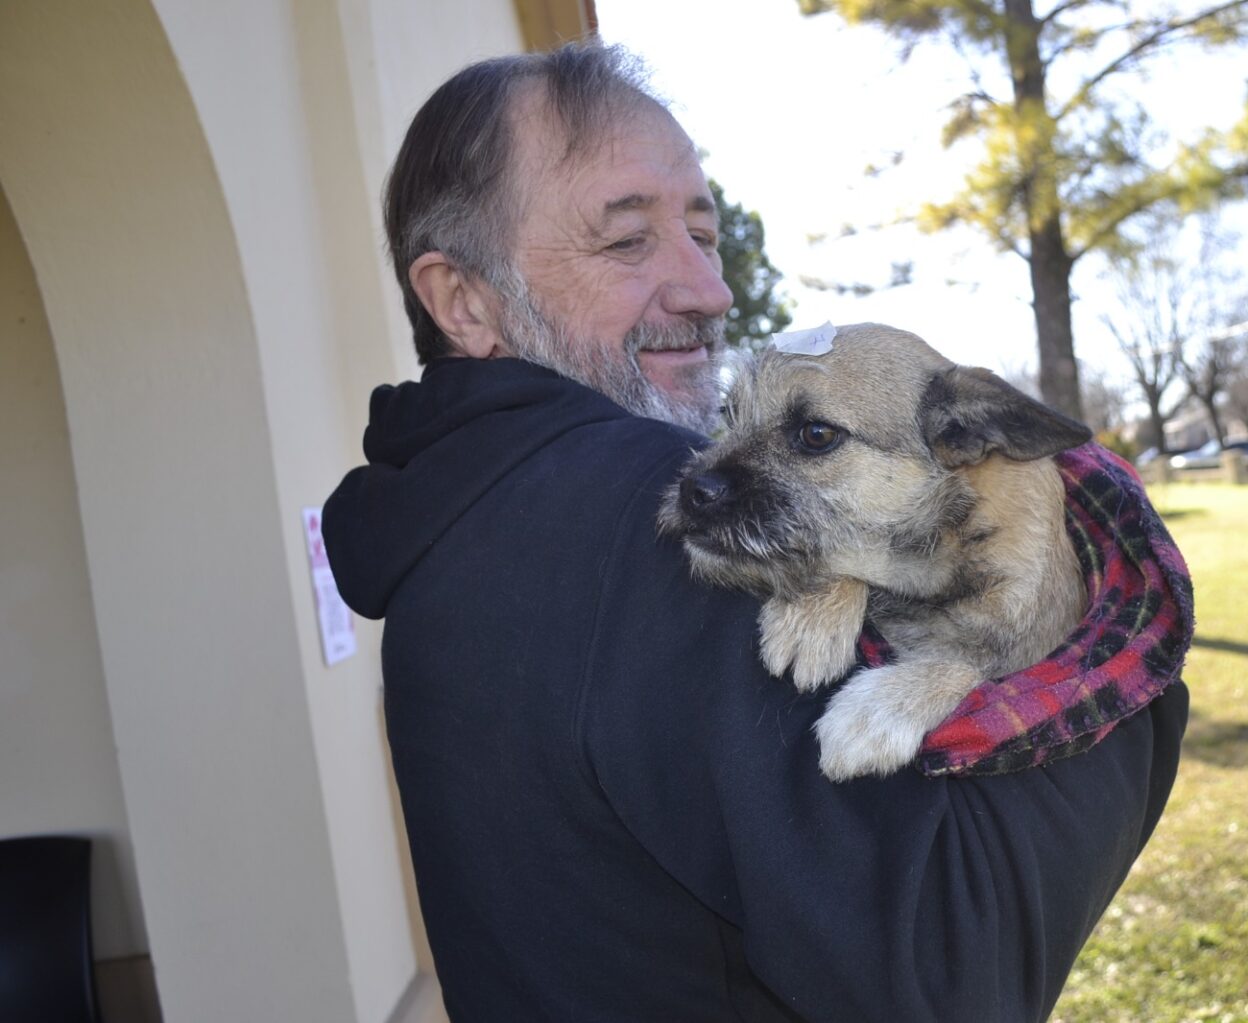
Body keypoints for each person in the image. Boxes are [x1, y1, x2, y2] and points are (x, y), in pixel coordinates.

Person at [324, 42, 1187, 1022]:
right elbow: (959, 961)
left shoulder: (443, 530)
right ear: (463, 300)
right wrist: (1133, 629)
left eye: (705, 233)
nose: (710, 289)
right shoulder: (653, 515)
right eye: (627, 240)